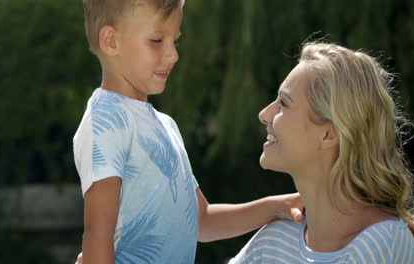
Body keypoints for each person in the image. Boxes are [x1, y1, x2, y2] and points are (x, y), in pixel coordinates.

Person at [73, 0, 303, 263]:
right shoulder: (106, 120)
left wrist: (276, 206)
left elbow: (201, 221)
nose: (173, 55)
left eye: (175, 41)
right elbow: (97, 233)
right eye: (157, 40)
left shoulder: (166, 126)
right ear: (111, 41)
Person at [229, 42, 414, 264]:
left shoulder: (384, 245)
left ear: (329, 134)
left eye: (284, 103)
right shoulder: (273, 241)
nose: (264, 114)